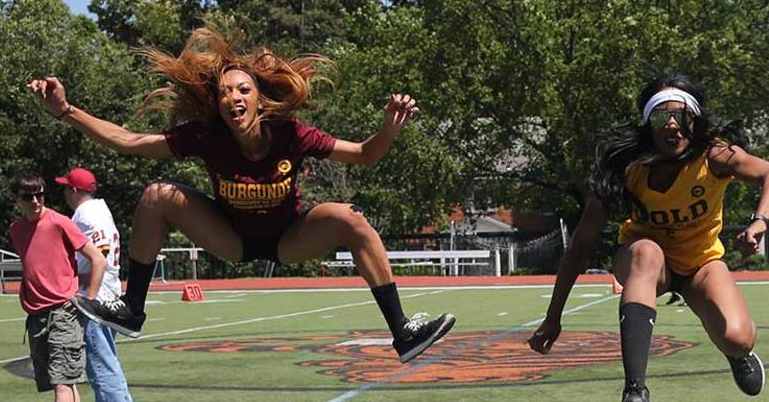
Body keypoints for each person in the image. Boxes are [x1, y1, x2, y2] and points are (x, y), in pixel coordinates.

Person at [28, 27, 455, 363]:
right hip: (229, 235)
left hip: (289, 236)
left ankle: (402, 331)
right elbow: (127, 140)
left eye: (243, 90)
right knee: (155, 195)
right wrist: (66, 111)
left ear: (259, 100)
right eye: (225, 92)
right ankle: (132, 309)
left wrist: (389, 129)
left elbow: (364, 155)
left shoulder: (292, 135)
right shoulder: (206, 136)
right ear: (218, 105)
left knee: (350, 218)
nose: (233, 96)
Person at [528, 74, 769, 402]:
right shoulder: (626, 167)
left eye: (681, 117)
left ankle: (737, 354)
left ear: (694, 122)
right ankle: (634, 392)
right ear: (648, 126)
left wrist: (760, 221)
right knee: (647, 253)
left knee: (737, 337)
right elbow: (580, 246)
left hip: (700, 262)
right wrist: (553, 316)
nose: (672, 126)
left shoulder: (714, 155)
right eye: (660, 118)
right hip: (646, 260)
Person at [7, 171, 108, 402]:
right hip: (36, 315)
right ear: (17, 199)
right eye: (28, 197)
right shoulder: (16, 229)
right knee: (62, 380)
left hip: (64, 311)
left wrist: (89, 298)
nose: (36, 201)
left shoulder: (59, 222)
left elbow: (98, 259)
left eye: (40, 194)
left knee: (63, 382)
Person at [55, 167, 142, 402]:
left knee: (98, 357)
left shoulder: (84, 215)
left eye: (67, 188)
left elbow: (97, 260)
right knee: (107, 355)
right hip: (110, 290)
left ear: (73, 190)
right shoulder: (100, 211)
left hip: (97, 292)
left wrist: (87, 297)